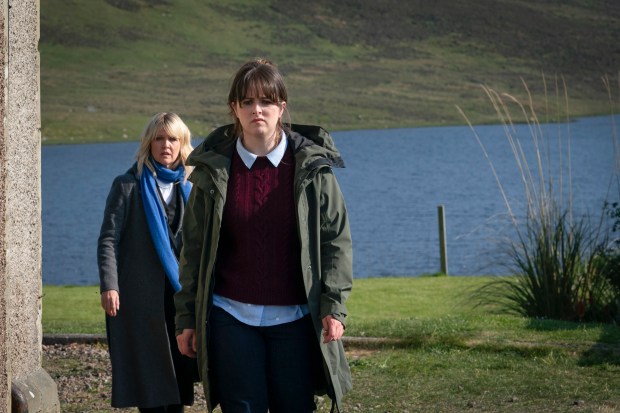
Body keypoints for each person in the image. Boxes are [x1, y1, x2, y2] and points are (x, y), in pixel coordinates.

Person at [174, 58, 353, 413]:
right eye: (247, 101)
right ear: (234, 109)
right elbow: (192, 251)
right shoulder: (212, 172)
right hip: (231, 318)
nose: (257, 109)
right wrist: (186, 319)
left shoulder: (313, 169)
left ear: (281, 107)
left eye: (266, 101)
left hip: (296, 319)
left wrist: (333, 306)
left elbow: (336, 242)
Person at [97, 112, 198, 412]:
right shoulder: (127, 185)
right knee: (150, 386)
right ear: (148, 143)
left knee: (179, 384)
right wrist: (109, 285)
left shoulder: (191, 187)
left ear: (182, 144)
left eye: (172, 139)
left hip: (181, 300)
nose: (165, 145)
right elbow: (108, 239)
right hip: (141, 303)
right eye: (158, 138)